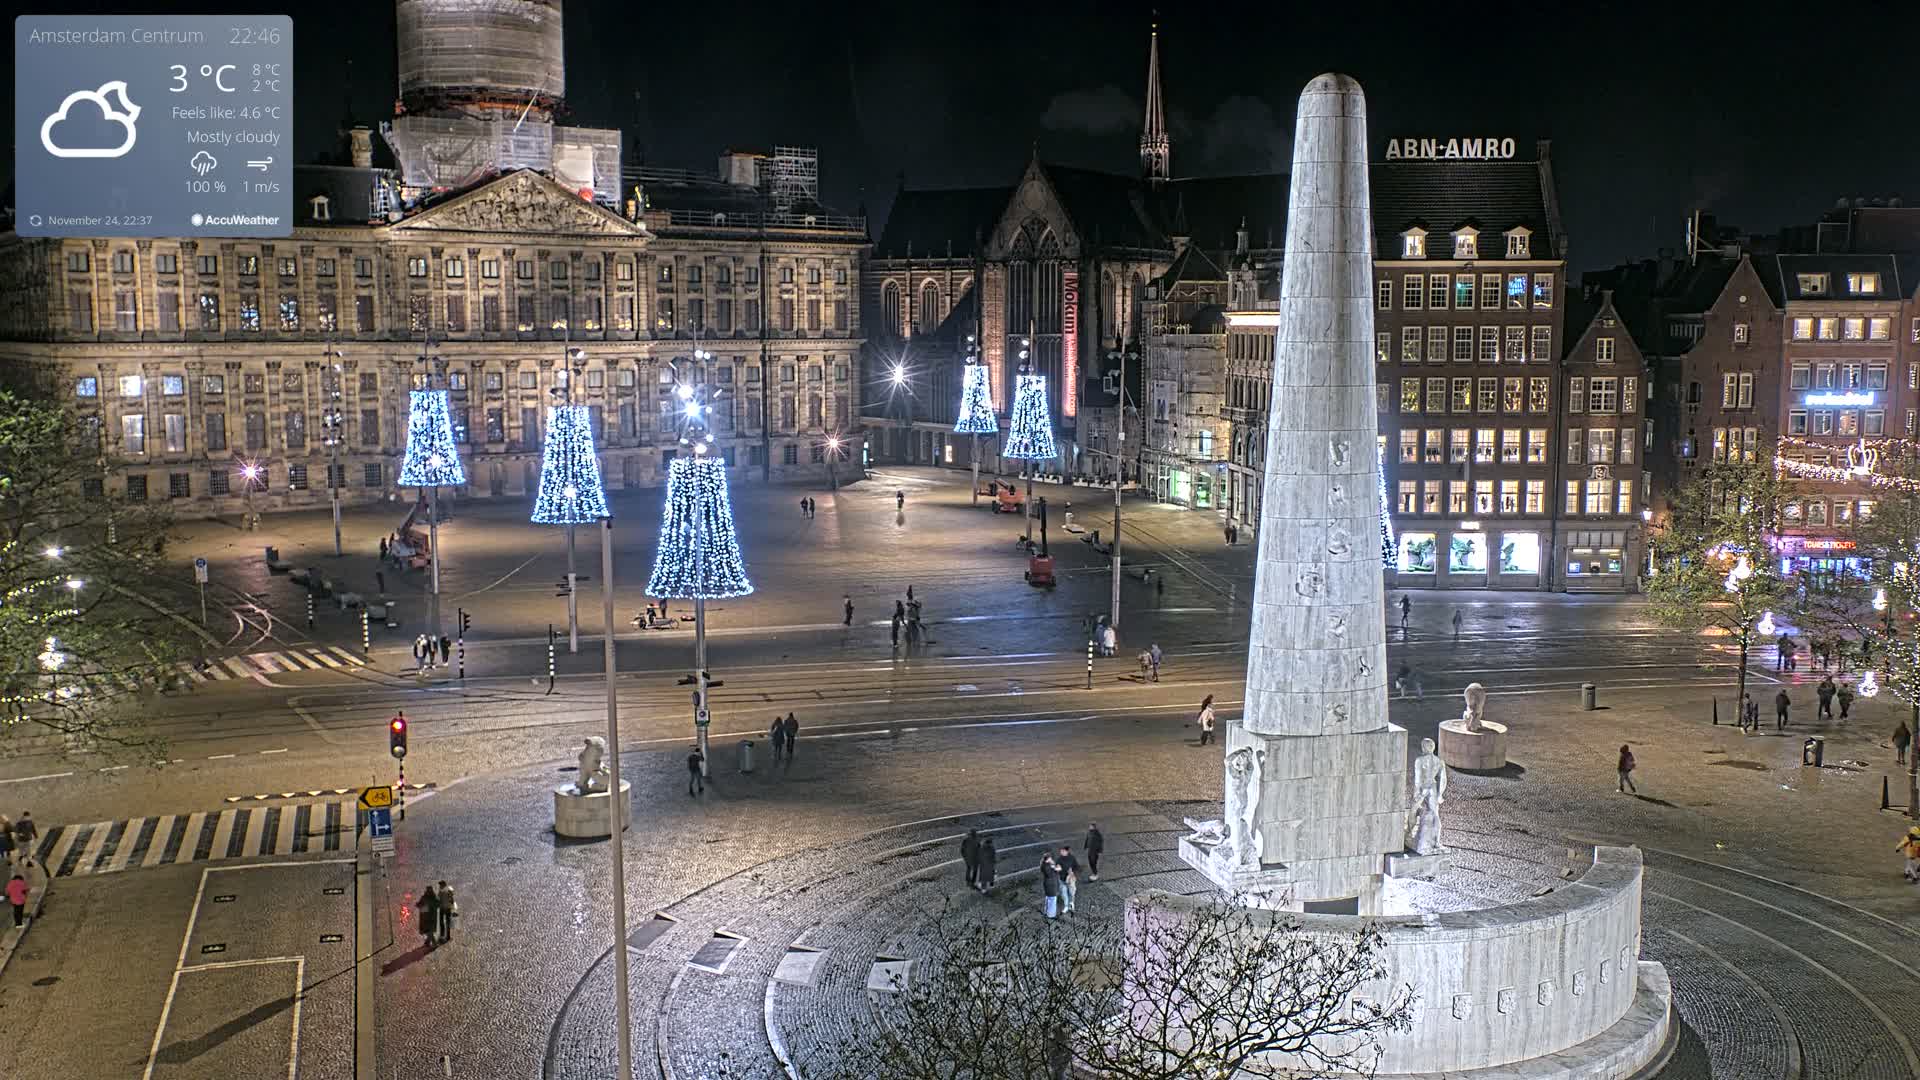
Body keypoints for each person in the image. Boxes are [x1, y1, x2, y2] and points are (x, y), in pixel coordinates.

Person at [1054, 844, 1080, 914]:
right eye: (1061, 851)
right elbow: (1057, 868)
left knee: (1071, 893)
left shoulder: (1072, 858)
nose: (1061, 852)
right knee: (1064, 894)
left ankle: (1071, 903)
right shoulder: (1059, 859)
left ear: (1067, 851)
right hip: (1062, 880)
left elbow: (1077, 867)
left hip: (1070, 880)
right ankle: (1066, 906)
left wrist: (1073, 872)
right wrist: (1057, 869)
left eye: (1063, 851)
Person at [1040, 852, 1061, 919]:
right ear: (1048, 859)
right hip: (1051, 885)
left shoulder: (1044, 864)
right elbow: (1052, 874)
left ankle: (1046, 912)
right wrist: (1056, 869)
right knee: (1052, 899)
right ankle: (1051, 915)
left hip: (1047, 884)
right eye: (1050, 858)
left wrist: (1053, 866)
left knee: (1048, 899)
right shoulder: (1048, 867)